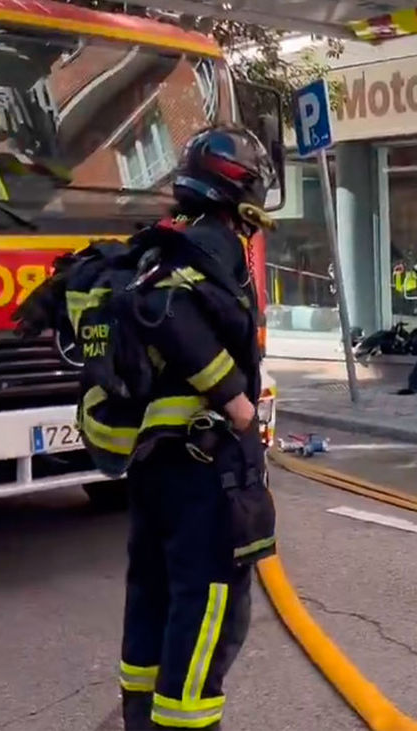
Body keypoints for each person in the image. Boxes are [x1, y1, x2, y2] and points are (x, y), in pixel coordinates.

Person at [110, 127, 277, 729]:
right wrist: (235, 400)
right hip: (202, 464)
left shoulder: (166, 244)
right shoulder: (210, 243)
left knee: (153, 597)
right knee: (207, 610)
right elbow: (165, 312)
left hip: (158, 463)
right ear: (239, 185)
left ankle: (141, 717)